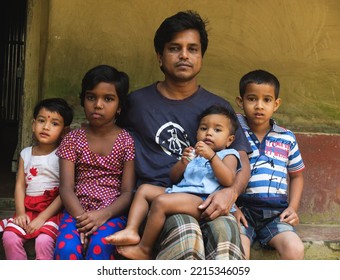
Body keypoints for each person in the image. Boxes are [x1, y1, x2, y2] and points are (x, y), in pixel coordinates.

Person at [115, 10, 252, 260]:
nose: (184, 56)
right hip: (157, 205)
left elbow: (242, 163)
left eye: (193, 49)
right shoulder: (136, 103)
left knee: (226, 230)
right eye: (174, 48)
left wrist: (230, 194)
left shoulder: (218, 108)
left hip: (209, 201)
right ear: (160, 56)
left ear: (201, 56)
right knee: (185, 230)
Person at [106, 105, 242, 259]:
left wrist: (212, 157)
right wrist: (183, 163)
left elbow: (229, 179)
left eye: (217, 130)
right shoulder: (195, 154)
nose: (209, 133)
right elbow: (174, 178)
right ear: (197, 132)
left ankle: (144, 248)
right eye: (204, 128)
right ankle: (131, 229)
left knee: (161, 202)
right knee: (144, 190)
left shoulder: (229, 154)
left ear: (229, 140)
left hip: (204, 200)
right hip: (181, 192)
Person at [53, 65, 136, 260]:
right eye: (91, 97)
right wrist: (83, 220)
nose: (98, 104)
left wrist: (103, 215)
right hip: (76, 211)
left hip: (111, 212)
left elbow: (126, 193)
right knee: (67, 248)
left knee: (101, 245)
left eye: (108, 99)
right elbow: (66, 188)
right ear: (83, 100)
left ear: (120, 106)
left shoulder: (126, 141)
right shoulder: (73, 139)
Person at [233, 69, 305, 259]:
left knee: (295, 248)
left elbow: (296, 176)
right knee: (239, 249)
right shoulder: (234, 131)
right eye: (251, 99)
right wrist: (232, 207)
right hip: (241, 211)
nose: (259, 106)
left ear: (276, 104)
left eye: (266, 100)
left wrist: (293, 208)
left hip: (276, 214)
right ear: (240, 102)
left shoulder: (286, 137)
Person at [2, 98, 73, 260]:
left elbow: (65, 191)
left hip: (52, 211)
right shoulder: (25, 154)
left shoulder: (62, 156)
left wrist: (42, 218)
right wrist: (20, 212)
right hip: (28, 208)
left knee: (44, 240)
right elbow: (20, 186)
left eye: (55, 124)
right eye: (41, 121)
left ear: (64, 131)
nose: (46, 127)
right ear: (33, 124)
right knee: (9, 237)